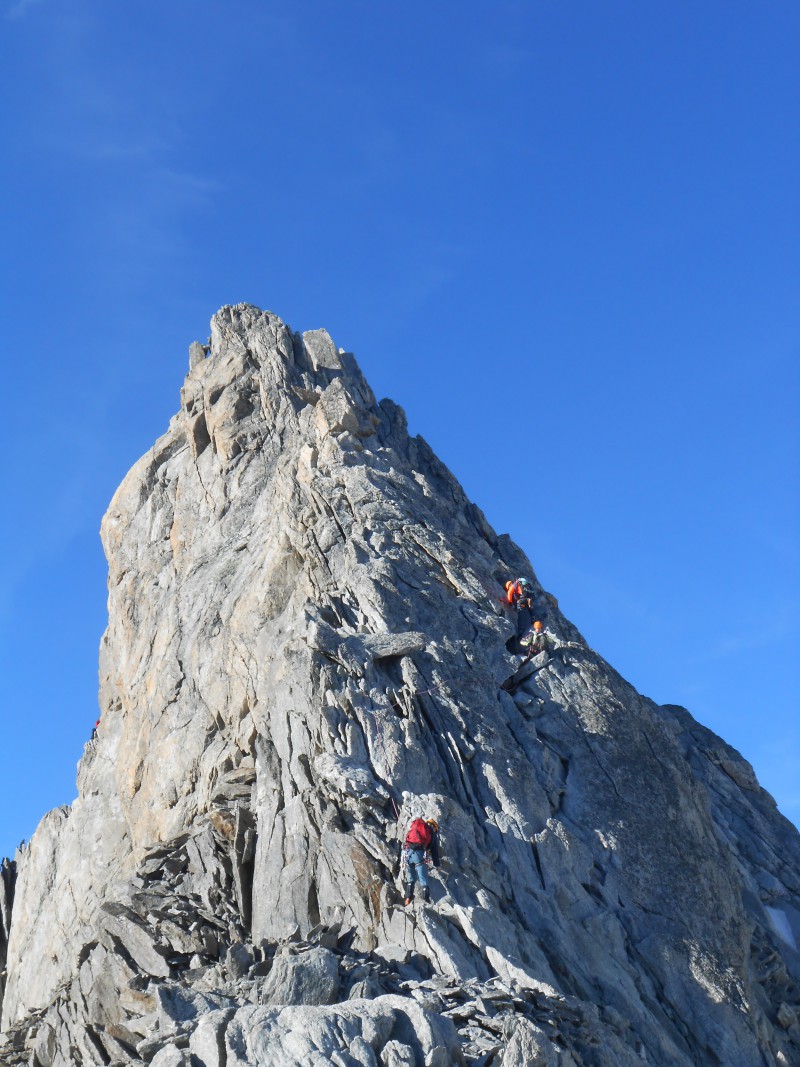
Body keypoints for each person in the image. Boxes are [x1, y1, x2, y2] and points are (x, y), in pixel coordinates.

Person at [402, 817, 440, 905]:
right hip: (418, 855)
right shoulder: (431, 832)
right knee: (423, 880)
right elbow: (434, 851)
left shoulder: (416, 829)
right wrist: (437, 865)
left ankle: (408, 898)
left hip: (407, 854)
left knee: (411, 879)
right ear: (434, 827)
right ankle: (426, 901)